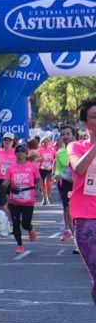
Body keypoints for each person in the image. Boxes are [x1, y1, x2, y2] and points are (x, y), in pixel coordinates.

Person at [67, 97, 96, 305]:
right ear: (84, 123)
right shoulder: (75, 146)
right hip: (87, 219)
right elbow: (79, 168)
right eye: (95, 116)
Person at [5, 144, 41, 255]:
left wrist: (39, 189)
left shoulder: (32, 167)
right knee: (15, 224)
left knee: (25, 224)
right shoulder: (11, 167)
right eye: (18, 151)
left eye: (22, 151)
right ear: (15, 153)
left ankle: (30, 229)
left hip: (28, 200)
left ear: (26, 154)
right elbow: (6, 181)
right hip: (14, 199)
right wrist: (5, 184)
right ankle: (20, 245)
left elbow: (38, 180)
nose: (20, 153)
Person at [54, 125, 76, 244]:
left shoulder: (80, 149)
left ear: (73, 135)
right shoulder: (60, 152)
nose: (65, 136)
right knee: (68, 209)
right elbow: (58, 169)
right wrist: (57, 174)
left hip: (79, 184)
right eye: (63, 134)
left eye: (68, 134)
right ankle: (75, 238)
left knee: (79, 209)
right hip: (65, 184)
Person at [0, 132, 17, 219]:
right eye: (5, 140)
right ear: (2, 141)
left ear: (13, 142)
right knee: (2, 202)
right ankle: (8, 220)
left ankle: (8, 219)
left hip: (12, 180)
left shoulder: (16, 152)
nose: (7, 141)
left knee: (11, 202)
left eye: (9, 140)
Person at [37, 136, 57, 205]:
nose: (45, 143)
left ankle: (49, 196)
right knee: (42, 185)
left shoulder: (53, 151)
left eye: (47, 142)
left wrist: (53, 162)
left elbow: (56, 159)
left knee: (48, 183)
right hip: (41, 169)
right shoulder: (39, 151)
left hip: (49, 169)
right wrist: (40, 158)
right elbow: (36, 160)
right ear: (41, 143)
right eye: (44, 142)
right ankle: (44, 198)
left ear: (49, 143)